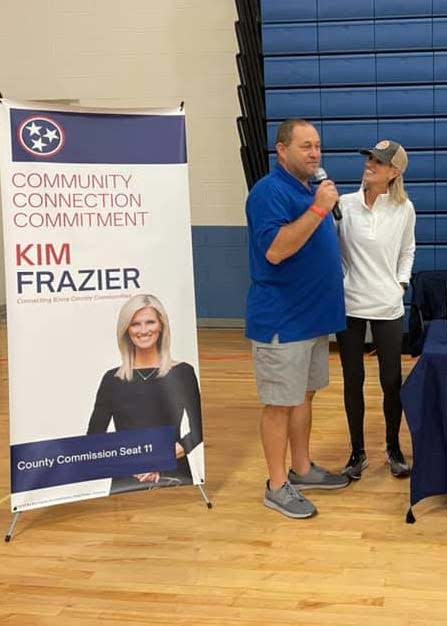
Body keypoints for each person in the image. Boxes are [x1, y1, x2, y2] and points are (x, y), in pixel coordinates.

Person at [245, 118, 350, 520]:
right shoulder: (269, 192)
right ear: (282, 150)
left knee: (303, 396)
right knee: (278, 404)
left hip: (312, 319)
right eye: (305, 146)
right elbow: (276, 249)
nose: (315, 153)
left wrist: (318, 204)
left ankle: (302, 468)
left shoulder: (307, 189)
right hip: (282, 322)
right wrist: (320, 209)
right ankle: (275, 486)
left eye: (318, 145)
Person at [337, 140, 416, 480]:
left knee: (391, 380)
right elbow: (334, 249)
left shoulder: (404, 209)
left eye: (379, 162)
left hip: (387, 305)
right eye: (369, 158)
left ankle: (393, 447)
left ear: (394, 172)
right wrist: (344, 280)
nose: (370, 164)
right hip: (350, 303)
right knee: (353, 380)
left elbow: (407, 249)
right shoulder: (345, 204)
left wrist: (400, 283)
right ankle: (357, 452)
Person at [87, 293, 203, 492]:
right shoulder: (111, 379)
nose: (143, 330)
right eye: (135, 324)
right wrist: (134, 462)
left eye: (150, 322)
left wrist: (158, 459)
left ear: (161, 326)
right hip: (126, 477)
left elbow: (198, 431)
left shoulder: (183, 372)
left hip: (174, 475)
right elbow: (94, 439)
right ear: (126, 330)